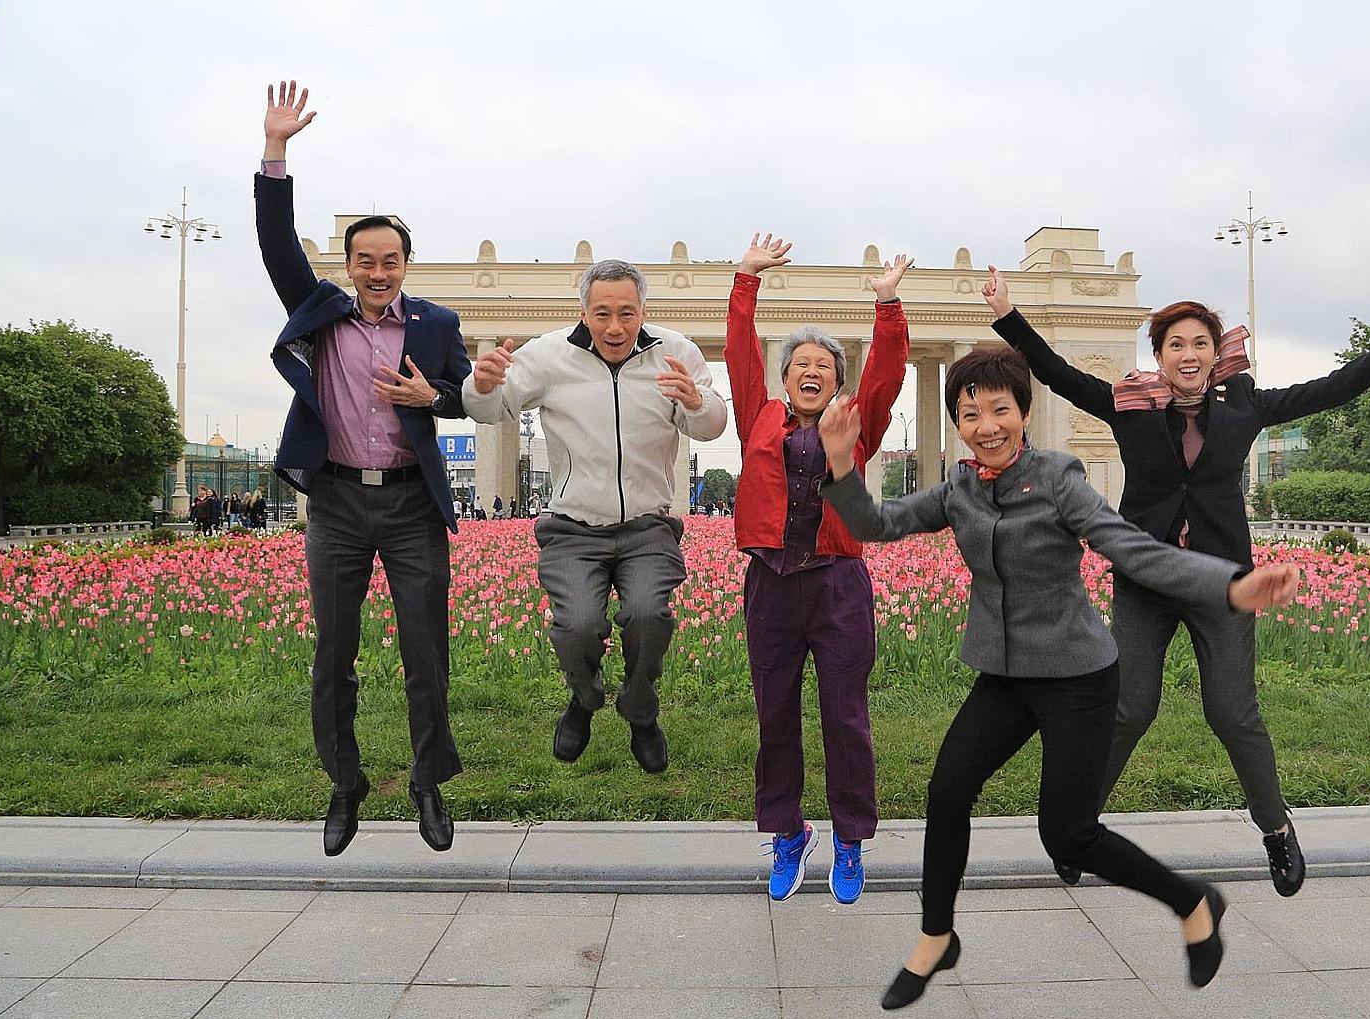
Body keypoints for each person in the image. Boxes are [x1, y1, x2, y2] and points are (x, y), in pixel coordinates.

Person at [817, 348, 1301, 1008]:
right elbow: (878, 523)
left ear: (1023, 411)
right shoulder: (960, 489)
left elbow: (1135, 550)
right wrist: (842, 462)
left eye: (999, 409)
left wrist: (1232, 586)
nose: (986, 425)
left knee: (1068, 834)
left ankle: (1194, 904)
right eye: (969, 413)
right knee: (949, 788)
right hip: (1005, 675)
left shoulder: (1059, 479)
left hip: (1077, 675)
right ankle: (935, 937)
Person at [982, 267, 1370, 896]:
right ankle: (1075, 831)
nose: (1189, 355)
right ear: (1161, 354)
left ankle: (1276, 830)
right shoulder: (1131, 408)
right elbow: (1056, 374)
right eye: (1175, 344)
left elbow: (1337, 387)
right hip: (1146, 581)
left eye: (1199, 343)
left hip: (1224, 584)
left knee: (1233, 713)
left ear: (1214, 352)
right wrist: (1008, 316)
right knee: (1126, 710)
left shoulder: (1245, 407)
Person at [257, 80, 473, 857]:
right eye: (364, 260)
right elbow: (277, 245)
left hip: (414, 508)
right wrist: (277, 150)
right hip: (339, 504)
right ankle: (345, 786)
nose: (377, 272)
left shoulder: (438, 324)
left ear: (407, 264)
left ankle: (427, 783)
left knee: (426, 653)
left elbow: (465, 395)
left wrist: (433, 393)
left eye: (390, 261)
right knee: (333, 655)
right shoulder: (321, 310)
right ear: (347, 264)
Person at [465, 259, 728, 772]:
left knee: (647, 616)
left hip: (648, 526)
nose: (614, 327)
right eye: (602, 313)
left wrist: (697, 402)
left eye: (627, 313)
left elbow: (713, 425)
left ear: (642, 310)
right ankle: (584, 699)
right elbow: (488, 409)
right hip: (572, 527)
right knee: (579, 625)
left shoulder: (675, 354)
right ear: (582, 311)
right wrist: (482, 385)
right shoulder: (547, 355)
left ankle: (639, 707)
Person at [724, 233, 912, 903]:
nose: (811, 371)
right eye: (799, 363)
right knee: (775, 716)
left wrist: (887, 306)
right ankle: (786, 834)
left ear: (837, 378)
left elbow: (889, 370)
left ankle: (851, 842)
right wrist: (745, 280)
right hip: (772, 583)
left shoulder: (855, 424)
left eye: (823, 365)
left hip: (838, 585)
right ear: (784, 378)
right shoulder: (759, 416)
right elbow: (739, 352)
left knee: (846, 716)